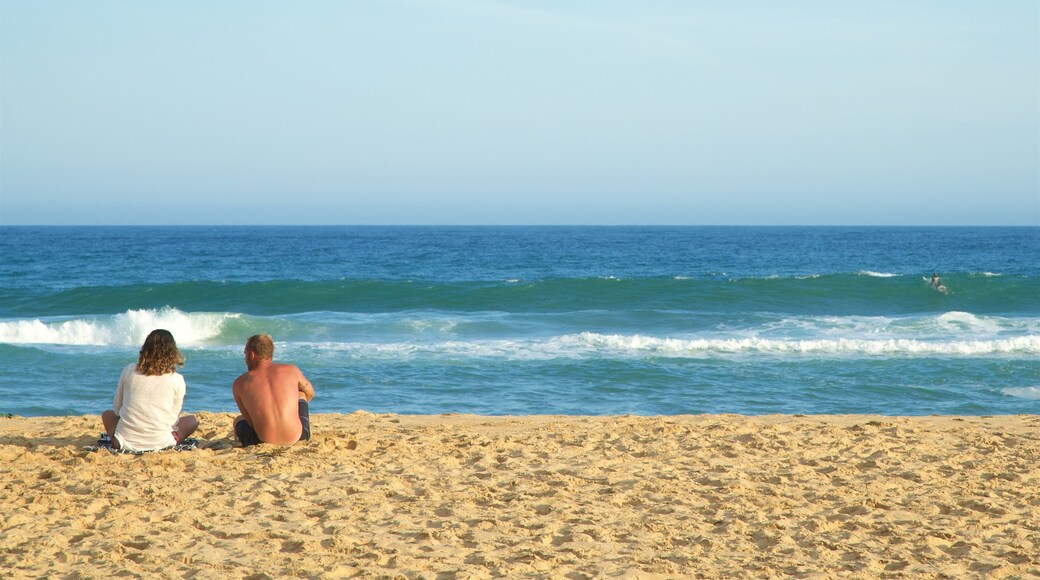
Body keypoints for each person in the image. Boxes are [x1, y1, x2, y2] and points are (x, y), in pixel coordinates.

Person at [101, 329, 199, 451]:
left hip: (123, 442)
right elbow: (173, 418)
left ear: (145, 349)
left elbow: (117, 408)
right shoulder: (177, 379)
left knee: (107, 414)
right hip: (162, 442)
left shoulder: (128, 371)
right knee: (192, 420)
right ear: (173, 353)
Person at [232, 334, 315, 447]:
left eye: (245, 354)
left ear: (252, 355)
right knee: (301, 394)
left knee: (238, 421)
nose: (245, 358)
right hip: (299, 438)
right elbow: (310, 393)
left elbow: (251, 423)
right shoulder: (292, 370)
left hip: (262, 442)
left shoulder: (239, 383)